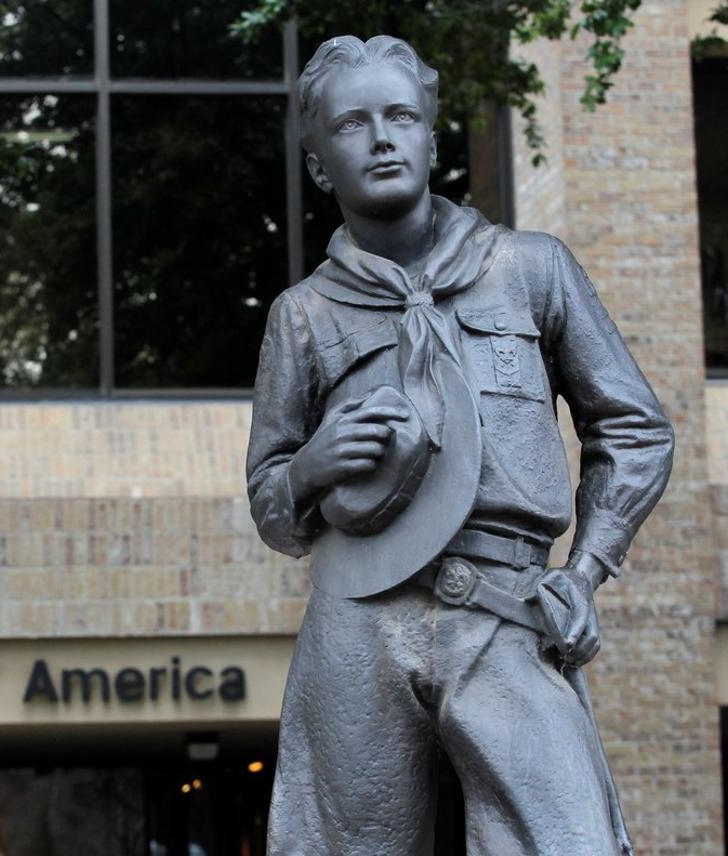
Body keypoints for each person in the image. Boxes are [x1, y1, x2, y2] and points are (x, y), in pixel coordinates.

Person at [246, 35, 674, 856]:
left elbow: (634, 428)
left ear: (432, 141)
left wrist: (584, 573)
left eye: (401, 116)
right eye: (352, 123)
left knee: (570, 839)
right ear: (319, 167)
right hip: (359, 616)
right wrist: (308, 467)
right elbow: (270, 503)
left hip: (505, 605)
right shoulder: (302, 315)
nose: (381, 137)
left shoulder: (530, 269)